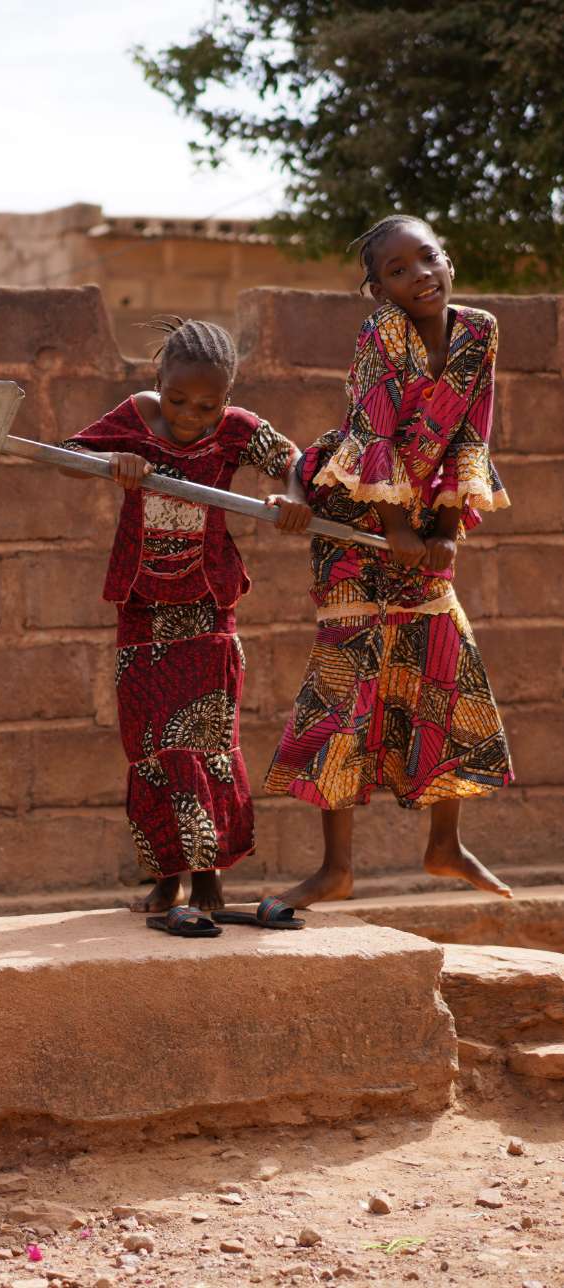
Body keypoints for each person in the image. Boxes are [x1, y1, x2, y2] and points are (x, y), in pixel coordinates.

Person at [264, 215, 514, 907]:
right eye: (398, 271)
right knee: (349, 680)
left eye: (427, 257)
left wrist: (444, 527)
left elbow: (472, 430)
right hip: (352, 520)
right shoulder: (383, 334)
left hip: (419, 517)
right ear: (379, 290)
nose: (418, 275)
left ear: (449, 260)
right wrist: (398, 522)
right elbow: (372, 425)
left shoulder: (479, 332)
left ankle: (445, 845)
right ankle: (337, 868)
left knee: (447, 659)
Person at [59, 318, 311, 929]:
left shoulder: (236, 430)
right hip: (143, 605)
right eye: (178, 399)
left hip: (207, 603)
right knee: (149, 744)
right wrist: (111, 460)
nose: (191, 414)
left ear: (227, 397)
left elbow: (293, 461)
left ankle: (208, 875)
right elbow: (68, 458)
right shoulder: (136, 417)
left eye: (208, 403)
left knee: (207, 741)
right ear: (157, 382)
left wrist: (294, 499)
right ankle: (165, 875)